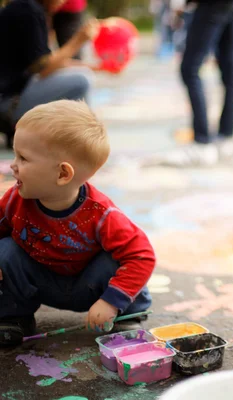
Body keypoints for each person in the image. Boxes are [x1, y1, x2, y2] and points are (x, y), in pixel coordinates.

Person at [0, 100, 155, 347]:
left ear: (63, 174)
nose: (13, 165)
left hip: (94, 289)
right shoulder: (13, 201)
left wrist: (112, 301)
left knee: (120, 256)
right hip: (42, 283)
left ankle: (126, 315)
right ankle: (15, 317)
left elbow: (142, 255)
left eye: (23, 158)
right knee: (5, 249)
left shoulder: (102, 214)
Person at [162, 0, 233, 167]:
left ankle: (203, 143)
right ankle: (225, 137)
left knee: (190, 69)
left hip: (213, 5)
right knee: (230, 71)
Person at [0, 0, 97, 148]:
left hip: (11, 97)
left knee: (80, 75)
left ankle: (71, 143)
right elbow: (44, 68)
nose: (64, 1)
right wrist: (79, 40)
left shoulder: (24, 7)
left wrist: (97, 67)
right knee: (82, 81)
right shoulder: (29, 10)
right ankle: (80, 145)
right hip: (8, 103)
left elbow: (50, 63)